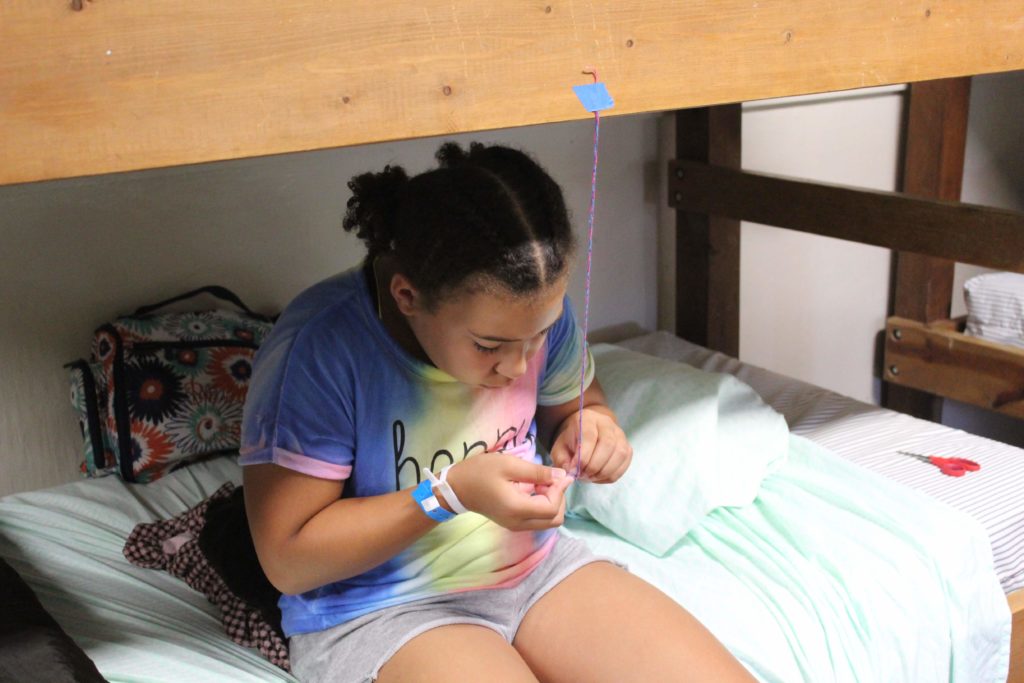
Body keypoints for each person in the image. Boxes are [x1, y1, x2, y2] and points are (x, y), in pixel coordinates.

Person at [240, 142, 754, 683]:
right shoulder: (320, 350)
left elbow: (574, 405)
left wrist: (590, 427)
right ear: (407, 295)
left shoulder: (528, 314)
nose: (517, 365)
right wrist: (447, 495)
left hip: (537, 572)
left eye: (540, 335)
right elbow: (289, 559)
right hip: (380, 610)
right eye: (489, 345)